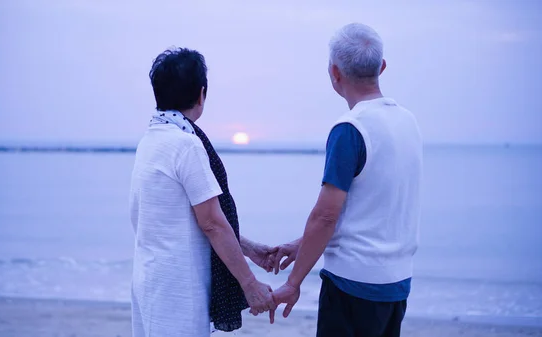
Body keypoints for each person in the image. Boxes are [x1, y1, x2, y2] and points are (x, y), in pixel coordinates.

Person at [270, 23, 423, 337]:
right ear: (381, 67)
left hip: (352, 287)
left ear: (334, 73)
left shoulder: (350, 129)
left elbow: (326, 215)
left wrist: (292, 283)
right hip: (396, 284)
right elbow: (372, 206)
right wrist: (303, 245)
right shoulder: (408, 122)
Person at [129, 47, 276, 337]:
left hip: (149, 281)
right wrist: (250, 285)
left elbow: (190, 218)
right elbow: (211, 222)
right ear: (201, 94)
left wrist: (249, 249)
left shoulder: (151, 140)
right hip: (178, 291)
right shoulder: (186, 145)